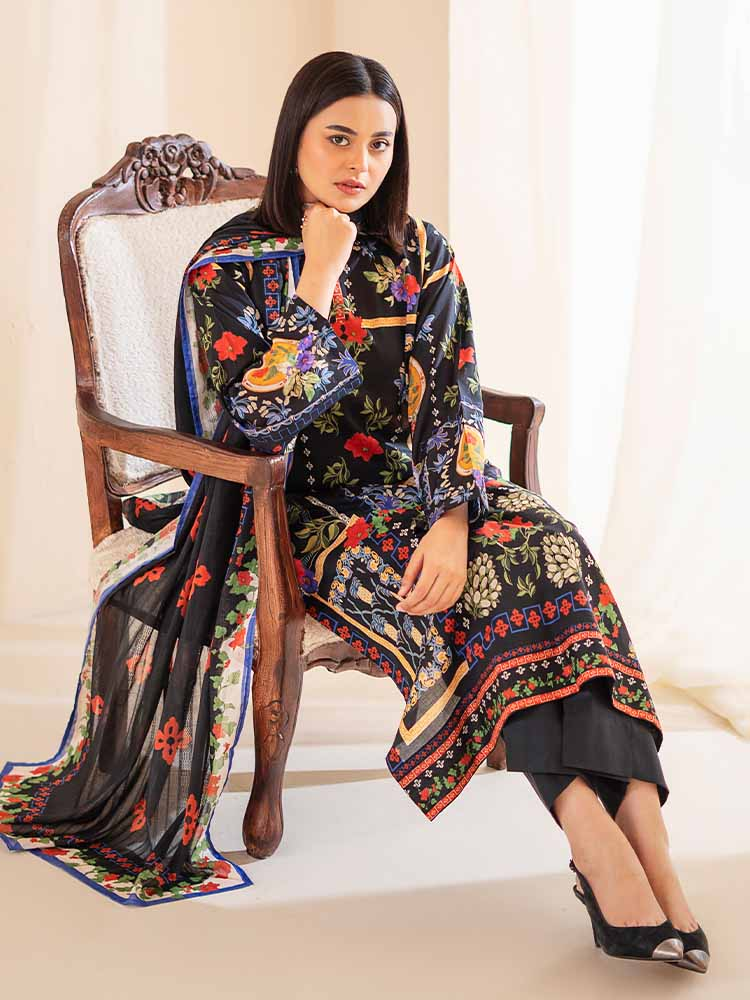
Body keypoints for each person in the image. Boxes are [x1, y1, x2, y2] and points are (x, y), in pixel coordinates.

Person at [0, 50, 707, 968]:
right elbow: (257, 423)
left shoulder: (422, 252)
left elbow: (454, 398)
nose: (359, 163)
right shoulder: (228, 268)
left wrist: (453, 521)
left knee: (556, 558)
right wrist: (317, 280)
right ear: (294, 136)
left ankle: (654, 850)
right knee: (480, 607)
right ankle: (600, 851)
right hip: (292, 515)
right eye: (338, 138)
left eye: (379, 144)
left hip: (430, 496)